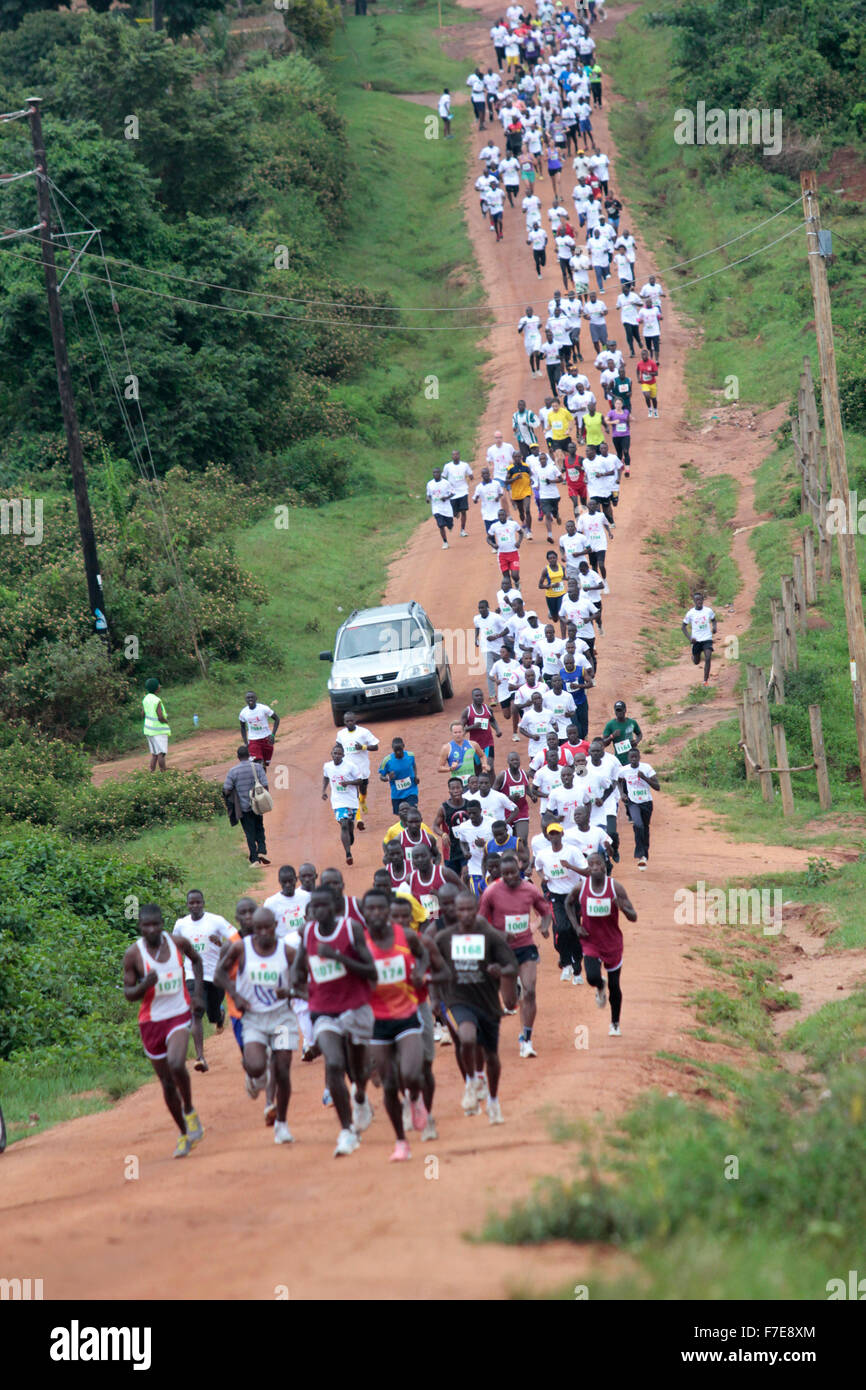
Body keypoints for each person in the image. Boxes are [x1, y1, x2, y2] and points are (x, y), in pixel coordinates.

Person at [291, 885, 377, 1157]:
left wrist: (338, 957)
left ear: (335, 906)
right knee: (335, 1064)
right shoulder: (308, 934)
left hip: (354, 1007)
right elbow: (298, 973)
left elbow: (370, 970)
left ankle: (361, 1096)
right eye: (313, 907)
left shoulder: (350, 930)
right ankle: (347, 1130)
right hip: (324, 1011)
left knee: (357, 1068)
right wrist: (309, 994)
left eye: (324, 906)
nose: (318, 911)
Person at [361, 888, 443, 1161]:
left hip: (408, 1013)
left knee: (412, 1073)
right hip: (378, 1021)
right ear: (364, 913)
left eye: (379, 909)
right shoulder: (361, 945)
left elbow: (423, 956)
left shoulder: (406, 936)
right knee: (389, 1084)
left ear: (388, 912)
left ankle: (417, 1099)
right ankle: (400, 1141)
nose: (375, 914)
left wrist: (419, 972)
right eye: (369, 910)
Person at [123, 903, 205, 1158]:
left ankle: (189, 1109)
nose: (151, 929)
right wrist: (143, 986)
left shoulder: (178, 942)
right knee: (167, 1084)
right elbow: (128, 995)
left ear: (162, 924)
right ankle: (184, 1133)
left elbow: (197, 960)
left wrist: (199, 994)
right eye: (146, 925)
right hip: (150, 1022)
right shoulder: (133, 955)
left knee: (177, 1063)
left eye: (156, 924)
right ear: (140, 927)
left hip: (179, 1014)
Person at [215, 907, 298, 1146]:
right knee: (256, 1065)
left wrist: (291, 990)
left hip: (281, 1017)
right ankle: (254, 1076)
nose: (263, 932)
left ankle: (281, 1123)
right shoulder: (241, 948)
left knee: (282, 1069)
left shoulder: (287, 951)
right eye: (258, 928)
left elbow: (302, 976)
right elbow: (219, 974)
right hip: (253, 1018)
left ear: (275, 926)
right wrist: (234, 994)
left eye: (267, 927)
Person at [435, 889, 518, 1122]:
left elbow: (511, 965)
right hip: (458, 1000)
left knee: (492, 1056)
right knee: (467, 1038)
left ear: (476, 910)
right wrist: (434, 998)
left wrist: (500, 971)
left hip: (488, 1002)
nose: (465, 914)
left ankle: (493, 1101)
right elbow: (432, 967)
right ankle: (471, 1083)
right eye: (460, 910)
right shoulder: (444, 939)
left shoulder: (488, 936)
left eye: (469, 909)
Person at [478, 854, 552, 1058]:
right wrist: (500, 935)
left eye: (513, 873)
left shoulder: (529, 890)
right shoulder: (491, 892)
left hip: (525, 947)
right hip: (502, 951)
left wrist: (544, 927)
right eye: (505, 874)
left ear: (519, 871)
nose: (509, 877)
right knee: (510, 1003)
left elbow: (545, 912)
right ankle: (515, 1000)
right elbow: (480, 922)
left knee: (530, 991)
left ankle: (526, 1039)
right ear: (500, 874)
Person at [567, 851, 637, 1035]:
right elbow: (568, 903)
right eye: (591, 865)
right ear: (587, 869)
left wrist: (622, 908)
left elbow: (634, 917)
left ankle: (615, 1023)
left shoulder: (615, 888)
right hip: (590, 941)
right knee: (591, 977)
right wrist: (576, 926)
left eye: (598, 864)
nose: (595, 868)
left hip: (612, 943)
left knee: (615, 986)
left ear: (605, 866)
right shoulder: (581, 888)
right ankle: (599, 986)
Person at [172, 889, 234, 1073]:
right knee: (195, 1012)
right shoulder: (181, 925)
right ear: (187, 905)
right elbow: (176, 948)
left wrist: (221, 944)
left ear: (204, 902)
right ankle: (200, 1057)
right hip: (193, 974)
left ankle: (219, 1016)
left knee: (212, 1013)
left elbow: (236, 940)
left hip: (216, 975)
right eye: (191, 903)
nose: (195, 906)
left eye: (198, 902)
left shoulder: (216, 921)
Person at [534, 822, 588, 982]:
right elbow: (538, 867)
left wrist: (569, 866)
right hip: (555, 897)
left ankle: (577, 966)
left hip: (573, 896)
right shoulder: (543, 854)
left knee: (574, 930)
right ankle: (565, 963)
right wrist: (542, 877)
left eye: (557, 833)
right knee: (562, 929)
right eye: (552, 834)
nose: (554, 836)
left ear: (562, 835)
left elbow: (586, 871)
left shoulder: (572, 852)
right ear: (548, 836)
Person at [222, 745, 270, 867]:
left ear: (238, 757)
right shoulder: (257, 767)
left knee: (249, 833)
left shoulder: (233, 771)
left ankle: (254, 859)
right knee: (260, 827)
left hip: (244, 807)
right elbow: (265, 785)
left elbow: (226, 790)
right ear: (249, 755)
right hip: (258, 805)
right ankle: (262, 851)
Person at [618, 746, 660, 868]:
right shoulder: (624, 770)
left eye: (636, 757)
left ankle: (644, 856)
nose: (634, 760)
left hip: (646, 802)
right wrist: (622, 793)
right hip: (633, 802)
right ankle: (640, 853)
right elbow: (618, 781)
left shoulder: (646, 768)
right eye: (631, 757)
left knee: (645, 828)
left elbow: (657, 787)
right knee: (638, 824)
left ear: (640, 757)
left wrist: (645, 778)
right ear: (628, 758)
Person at [322, 742, 363, 867]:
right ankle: (348, 854)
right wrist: (323, 791)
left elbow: (360, 780)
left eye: (339, 754)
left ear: (343, 755)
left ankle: (351, 832)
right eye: (335, 753)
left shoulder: (350, 766)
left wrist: (349, 783)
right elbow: (326, 778)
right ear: (331, 754)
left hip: (351, 800)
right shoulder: (327, 766)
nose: (337, 756)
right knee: (343, 823)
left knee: (349, 824)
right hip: (338, 801)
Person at [337, 712, 379, 830]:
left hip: (362, 768)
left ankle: (363, 800)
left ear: (355, 720)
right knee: (353, 795)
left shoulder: (363, 732)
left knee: (363, 790)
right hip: (349, 770)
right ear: (344, 722)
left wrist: (363, 747)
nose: (349, 723)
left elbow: (376, 746)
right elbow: (338, 747)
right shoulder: (341, 734)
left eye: (351, 720)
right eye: (347, 721)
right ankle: (359, 819)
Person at [453, 799, 496, 897]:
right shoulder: (464, 827)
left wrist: (485, 845)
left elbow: (499, 843)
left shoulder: (491, 824)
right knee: (478, 899)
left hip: (492, 868)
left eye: (474, 813)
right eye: (470, 813)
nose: (471, 816)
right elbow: (462, 841)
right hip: (474, 869)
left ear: (480, 811)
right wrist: (465, 852)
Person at [433, 777, 471, 877]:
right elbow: (435, 826)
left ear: (462, 788)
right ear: (449, 791)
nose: (456, 791)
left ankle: (467, 892)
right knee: (453, 878)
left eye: (458, 788)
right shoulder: (443, 808)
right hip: (450, 849)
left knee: (466, 874)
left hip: (466, 846)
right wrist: (443, 834)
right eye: (453, 788)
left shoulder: (469, 805)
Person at [496, 748, 535, 841]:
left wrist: (531, 795)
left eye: (517, 759)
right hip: (506, 813)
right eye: (512, 760)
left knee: (522, 840)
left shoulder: (524, 774)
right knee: (508, 842)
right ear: (508, 762)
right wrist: (509, 798)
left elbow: (526, 788)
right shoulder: (503, 776)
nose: (515, 762)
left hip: (522, 810)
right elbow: (494, 795)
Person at [462, 687, 503, 771]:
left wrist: (498, 730)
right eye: (477, 696)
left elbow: (493, 720)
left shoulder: (488, 709)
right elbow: (461, 730)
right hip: (474, 744)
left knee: (489, 767)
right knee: (477, 769)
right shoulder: (467, 711)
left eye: (481, 695)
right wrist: (473, 727)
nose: (479, 697)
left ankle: (492, 784)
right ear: (472, 697)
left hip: (488, 743)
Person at [474, 598, 506, 701]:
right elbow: (477, 627)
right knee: (489, 672)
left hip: (499, 648)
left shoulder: (496, 618)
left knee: (501, 671)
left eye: (483, 608)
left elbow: (506, 629)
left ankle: (505, 693)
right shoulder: (477, 619)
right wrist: (476, 638)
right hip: (486, 648)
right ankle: (492, 696)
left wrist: (496, 636)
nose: (481, 610)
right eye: (479, 608)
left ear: (488, 608)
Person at [239, 690, 280, 771]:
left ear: (256, 698)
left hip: (266, 739)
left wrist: (272, 735)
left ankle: (262, 780)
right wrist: (246, 742)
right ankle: (258, 782)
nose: (250, 699)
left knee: (264, 764)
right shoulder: (243, 713)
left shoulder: (263, 708)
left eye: (252, 697)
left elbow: (277, 719)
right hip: (253, 741)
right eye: (248, 698)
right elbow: (242, 728)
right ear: (245, 700)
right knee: (258, 763)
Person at [378, 736, 420, 813]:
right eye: (395, 750)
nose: (398, 752)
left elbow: (414, 765)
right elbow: (381, 777)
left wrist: (415, 776)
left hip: (411, 791)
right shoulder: (387, 760)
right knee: (402, 815)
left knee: (412, 811)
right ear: (392, 748)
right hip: (397, 794)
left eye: (400, 750)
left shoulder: (410, 756)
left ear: (403, 746)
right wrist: (388, 778)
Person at [682, 592, 717, 685]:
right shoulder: (690, 613)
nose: (699, 601)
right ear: (694, 601)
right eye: (697, 600)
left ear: (703, 600)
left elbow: (714, 620)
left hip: (707, 638)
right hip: (696, 640)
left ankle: (705, 681)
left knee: (708, 657)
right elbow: (683, 627)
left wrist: (714, 627)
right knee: (696, 662)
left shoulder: (708, 611)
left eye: (700, 599)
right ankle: (694, 657)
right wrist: (690, 638)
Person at [438, 720, 483, 786]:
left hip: (472, 783)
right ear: (451, 733)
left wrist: (484, 767)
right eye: (455, 732)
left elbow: (482, 755)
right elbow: (439, 768)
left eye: (459, 732)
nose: (458, 735)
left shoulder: (473, 744)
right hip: (457, 785)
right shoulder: (446, 748)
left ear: (463, 732)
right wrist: (450, 769)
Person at [443, 449, 474, 538]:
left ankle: (463, 530)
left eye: (457, 454)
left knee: (464, 511)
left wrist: (471, 477)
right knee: (454, 513)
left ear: (459, 456)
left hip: (463, 491)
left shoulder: (465, 465)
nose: (455, 456)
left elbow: (470, 474)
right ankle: (456, 512)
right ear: (452, 456)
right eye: (453, 455)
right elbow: (443, 477)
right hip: (452, 493)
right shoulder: (448, 466)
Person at [487, 506, 524, 582]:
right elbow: (488, 538)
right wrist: (493, 545)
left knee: (515, 575)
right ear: (498, 517)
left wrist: (519, 542)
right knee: (506, 578)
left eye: (502, 515)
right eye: (499, 515)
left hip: (513, 553)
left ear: (506, 515)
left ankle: (517, 584)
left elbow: (521, 533)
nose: (501, 517)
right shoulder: (494, 526)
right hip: (502, 554)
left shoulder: (513, 524)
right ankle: (511, 592)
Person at [142, 677, 170, 772]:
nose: (160, 686)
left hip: (148, 731)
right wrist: (166, 721)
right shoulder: (156, 700)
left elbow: (143, 714)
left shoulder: (145, 699)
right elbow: (160, 717)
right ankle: (164, 773)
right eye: (158, 685)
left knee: (154, 754)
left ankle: (152, 774)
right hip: (158, 731)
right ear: (156, 688)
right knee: (161, 753)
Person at [602, 700, 642, 764]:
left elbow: (639, 734)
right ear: (615, 711)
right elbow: (603, 743)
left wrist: (636, 741)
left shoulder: (632, 722)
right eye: (617, 710)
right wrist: (612, 736)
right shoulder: (610, 725)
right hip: (619, 758)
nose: (619, 712)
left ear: (625, 710)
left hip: (632, 757)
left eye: (620, 710)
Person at [426, 465, 455, 548]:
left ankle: (450, 526)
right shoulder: (430, 484)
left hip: (446, 508)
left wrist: (446, 498)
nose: (435, 474)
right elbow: (428, 495)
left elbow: (453, 493)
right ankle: (445, 542)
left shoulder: (446, 483)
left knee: (449, 524)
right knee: (441, 525)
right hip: (436, 508)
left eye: (437, 472)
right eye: (434, 473)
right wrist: (427, 499)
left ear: (440, 473)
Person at [473, 467, 507, 535]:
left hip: (497, 512)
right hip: (486, 513)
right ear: (481, 475)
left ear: (489, 474)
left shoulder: (496, 483)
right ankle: (494, 545)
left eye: (487, 473)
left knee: (500, 532)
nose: (485, 475)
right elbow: (475, 501)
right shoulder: (479, 487)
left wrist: (498, 497)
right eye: (483, 474)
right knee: (490, 534)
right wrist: (476, 499)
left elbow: (501, 492)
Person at [539, 549, 567, 624]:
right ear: (548, 560)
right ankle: (552, 613)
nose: (552, 560)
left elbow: (563, 577)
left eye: (554, 558)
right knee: (555, 619)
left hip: (561, 594)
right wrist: (551, 586)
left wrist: (568, 578)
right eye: (550, 558)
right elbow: (540, 586)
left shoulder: (562, 567)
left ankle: (564, 636)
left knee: (561, 615)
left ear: (557, 558)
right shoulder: (546, 570)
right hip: (550, 596)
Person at [607, 396, 631, 475]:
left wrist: (632, 419)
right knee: (619, 453)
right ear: (614, 404)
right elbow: (606, 420)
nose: (618, 405)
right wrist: (613, 422)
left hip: (625, 435)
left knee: (626, 451)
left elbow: (630, 418)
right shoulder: (611, 412)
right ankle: (620, 465)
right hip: (616, 436)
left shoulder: (626, 411)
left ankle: (627, 470)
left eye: (620, 403)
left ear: (622, 404)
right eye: (617, 403)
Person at [636, 347, 659, 416]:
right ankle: (649, 409)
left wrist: (649, 373)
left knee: (653, 398)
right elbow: (637, 371)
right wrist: (638, 378)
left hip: (652, 383)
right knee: (646, 395)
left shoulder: (652, 363)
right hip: (644, 383)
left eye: (645, 355)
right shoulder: (639, 364)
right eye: (642, 355)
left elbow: (656, 373)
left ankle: (655, 410)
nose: (644, 356)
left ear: (647, 355)